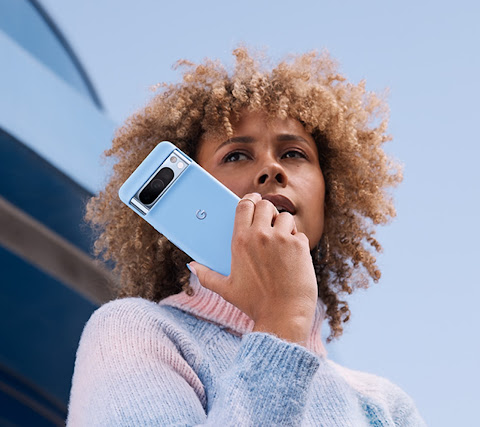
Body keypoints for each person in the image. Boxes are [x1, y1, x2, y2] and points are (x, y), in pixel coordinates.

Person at [66, 47, 426, 426]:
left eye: (294, 153)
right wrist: (281, 321)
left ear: (330, 191)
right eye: (236, 156)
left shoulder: (385, 406)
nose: (272, 169)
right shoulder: (134, 331)